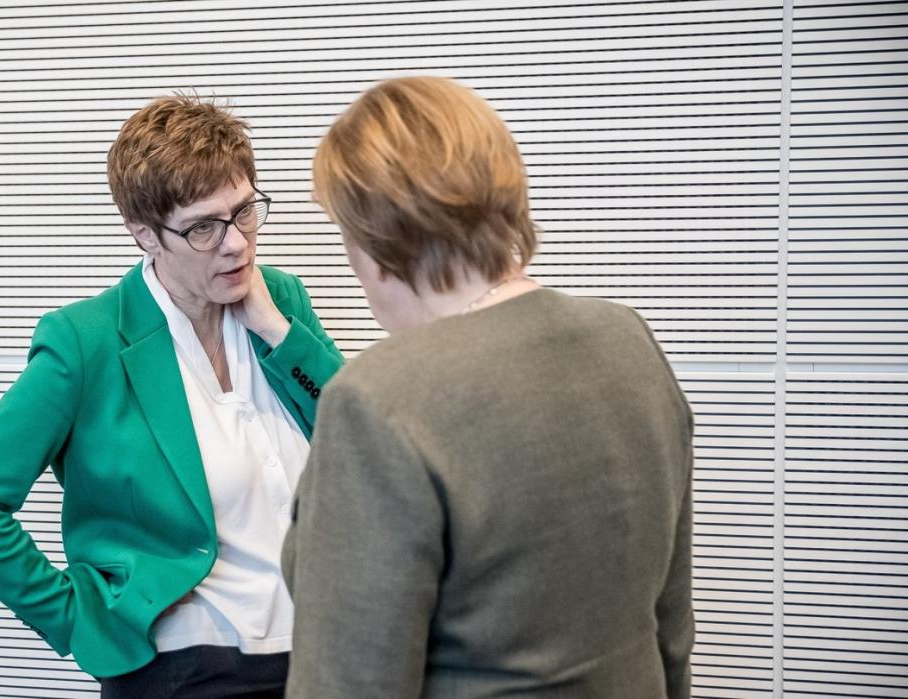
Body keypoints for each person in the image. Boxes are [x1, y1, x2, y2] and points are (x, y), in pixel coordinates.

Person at [282, 76, 694, 698]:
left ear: (376, 241)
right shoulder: (628, 340)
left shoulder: (379, 400)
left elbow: (349, 682)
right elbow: (671, 633)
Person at [0, 93, 343, 698]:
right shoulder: (85, 343)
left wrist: (275, 330)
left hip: (320, 654)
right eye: (203, 226)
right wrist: (77, 621)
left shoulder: (280, 300)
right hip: (185, 669)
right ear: (145, 234)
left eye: (244, 210)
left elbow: (358, 440)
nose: (235, 243)